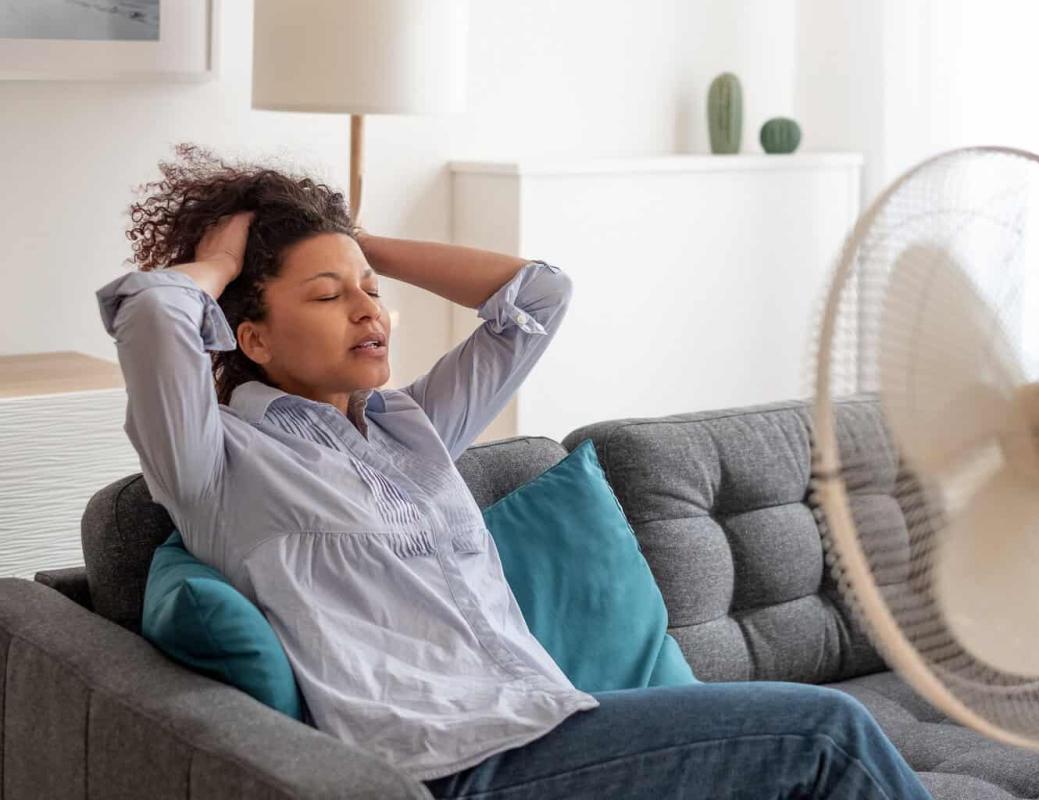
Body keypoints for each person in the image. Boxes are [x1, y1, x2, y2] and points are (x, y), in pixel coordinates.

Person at [98, 143, 933, 800]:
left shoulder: (411, 430)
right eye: (327, 296)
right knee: (828, 733)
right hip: (448, 764)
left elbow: (538, 297)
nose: (367, 309)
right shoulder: (217, 464)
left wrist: (352, 242)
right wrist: (220, 263)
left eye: (372, 291)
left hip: (550, 724)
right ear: (251, 338)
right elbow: (151, 313)